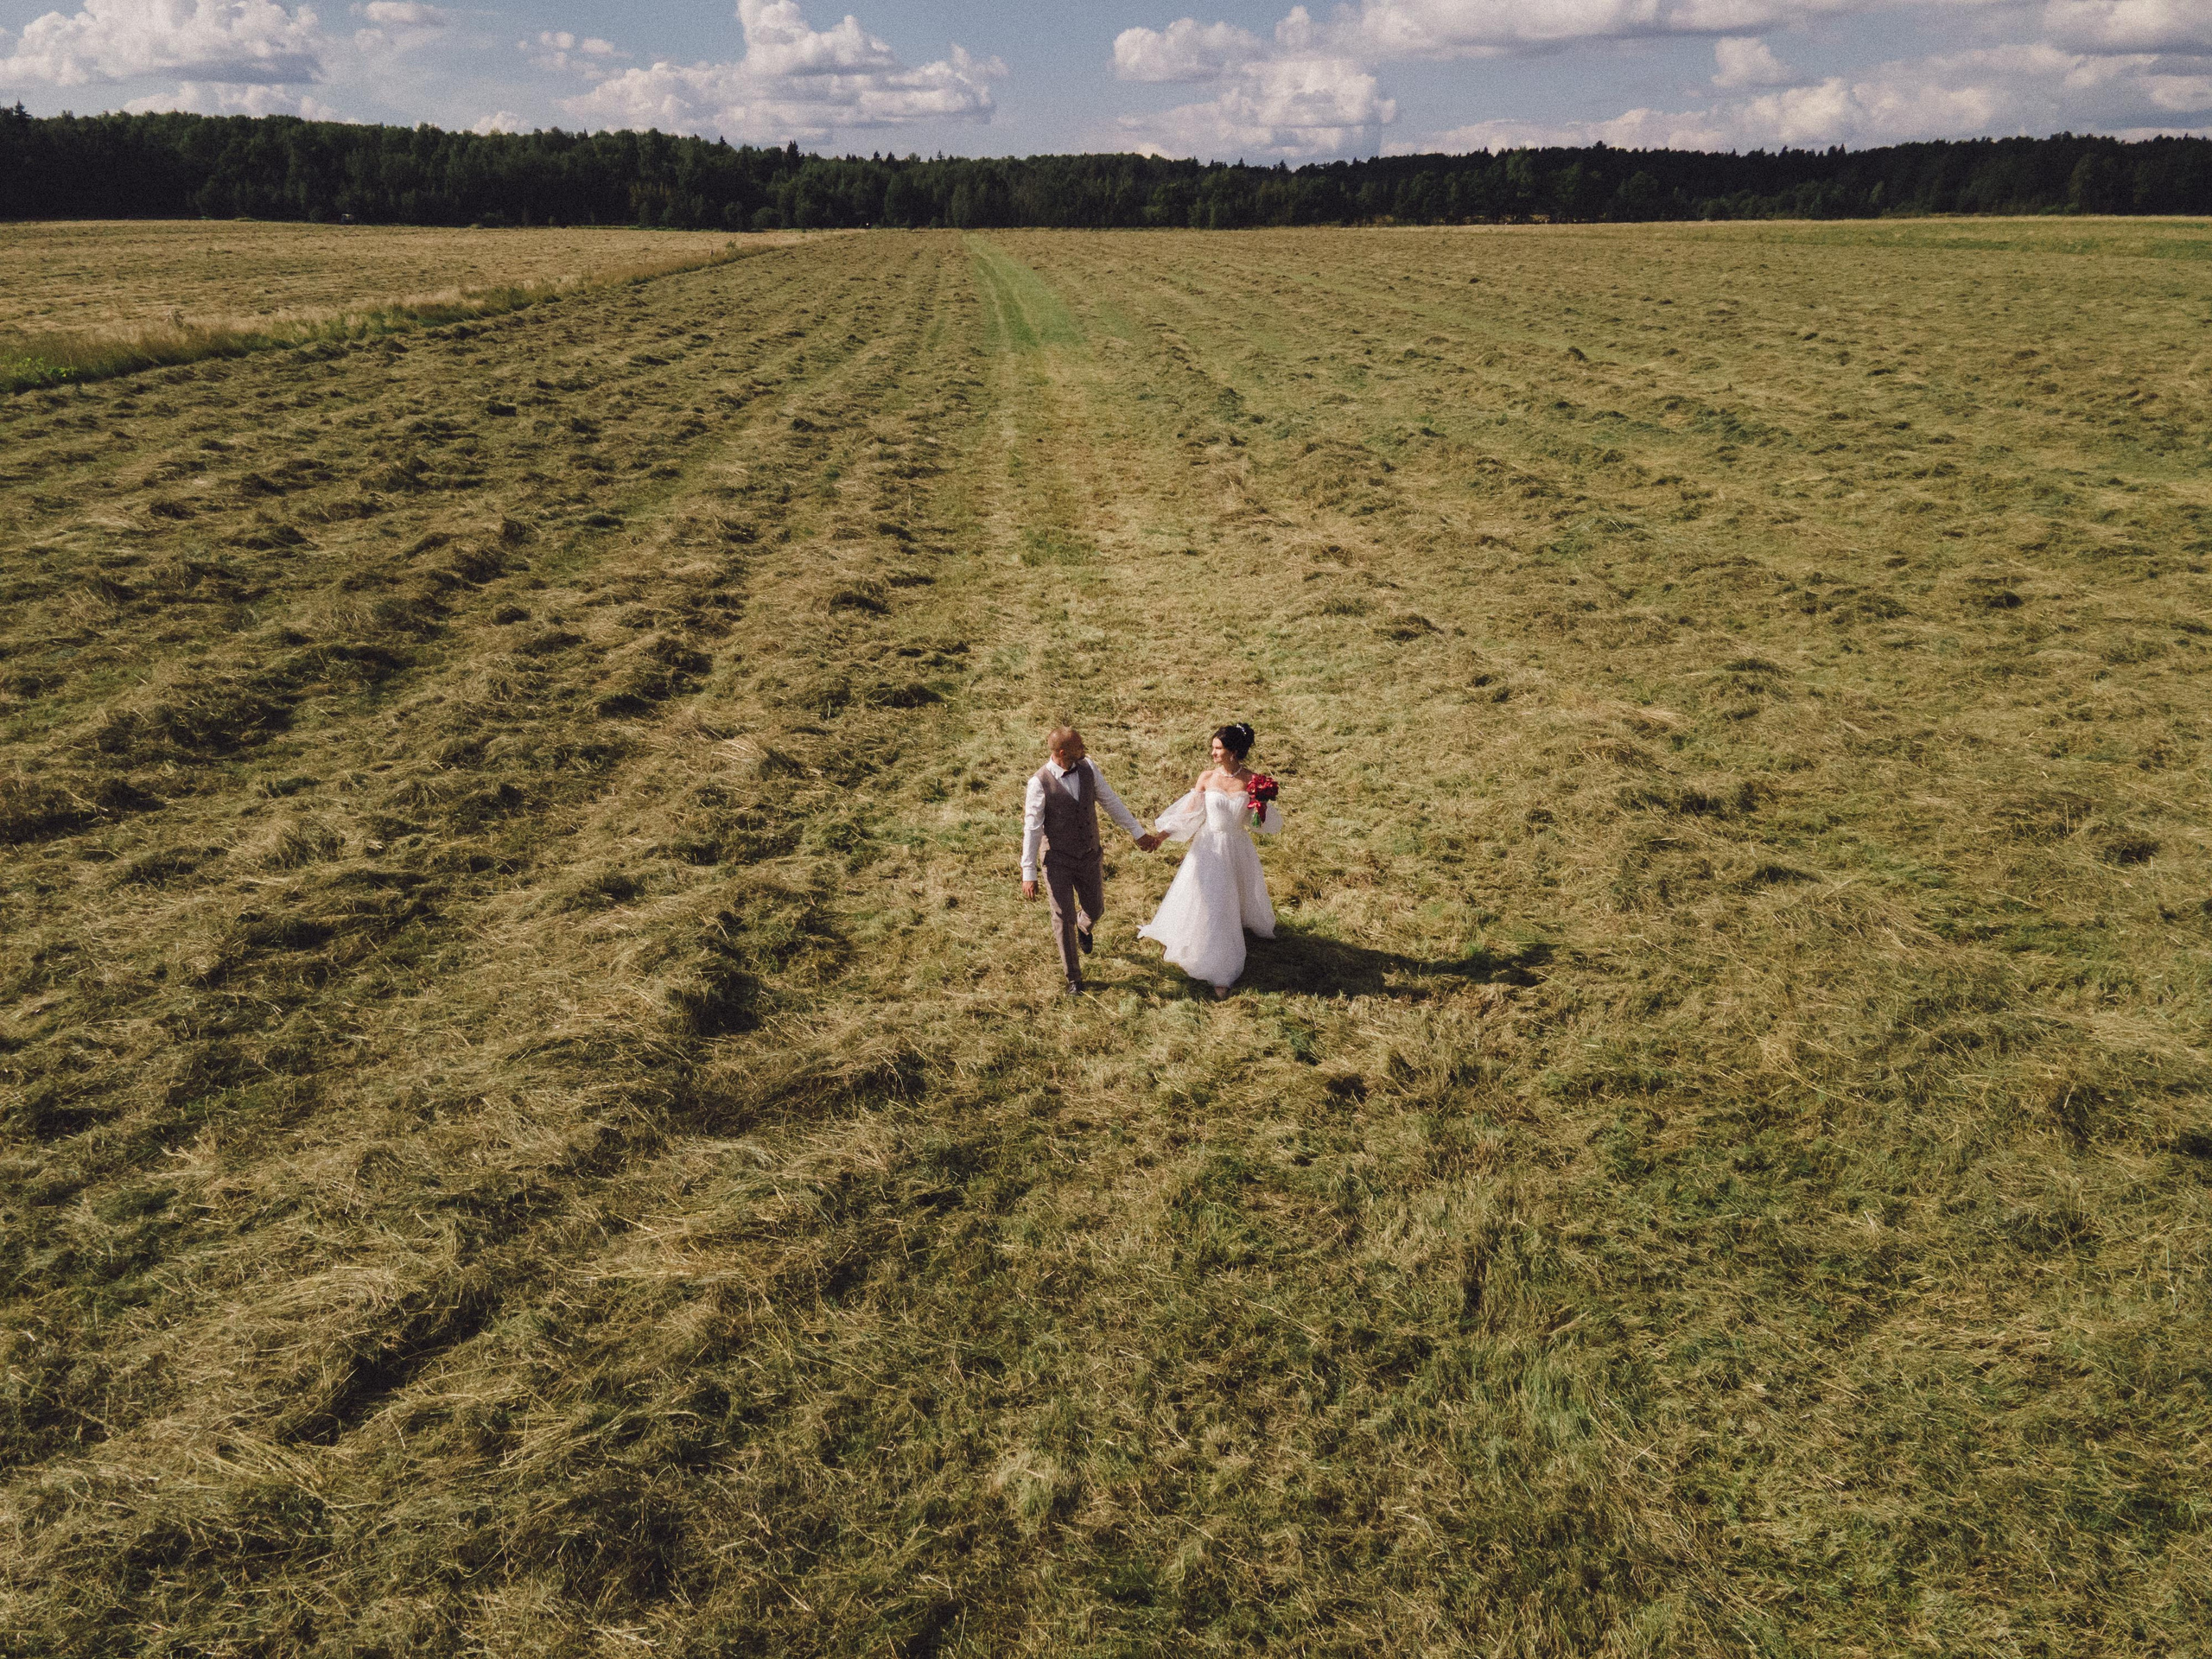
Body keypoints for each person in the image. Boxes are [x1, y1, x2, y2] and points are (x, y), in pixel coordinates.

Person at [1137, 722, 1281, 999]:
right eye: (1213, 748)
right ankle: (1215, 962)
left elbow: (1257, 824)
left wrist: (1259, 807)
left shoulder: (1252, 781)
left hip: (1236, 846)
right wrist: (1160, 837)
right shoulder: (1206, 778)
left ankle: (1223, 965)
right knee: (1214, 901)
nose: (1213, 753)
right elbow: (1188, 815)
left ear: (1234, 751)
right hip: (1208, 848)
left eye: (1218, 748)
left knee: (1229, 901)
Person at [1020, 727, 1161, 996]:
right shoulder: (1038, 783)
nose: (1084, 748)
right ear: (1062, 753)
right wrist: (1029, 871)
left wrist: (1137, 833)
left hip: (1089, 854)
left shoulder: (1088, 768)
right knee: (1063, 917)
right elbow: (1032, 828)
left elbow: (1110, 802)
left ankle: (1084, 927)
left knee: (1095, 909)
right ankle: (1074, 977)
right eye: (1078, 746)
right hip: (1057, 860)